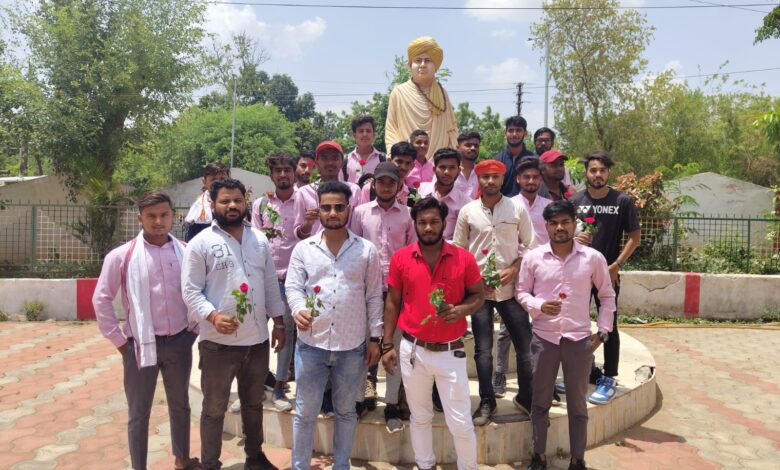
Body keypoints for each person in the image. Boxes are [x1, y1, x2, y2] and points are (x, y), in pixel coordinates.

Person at [181, 178, 286, 470]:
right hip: (218, 344)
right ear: (213, 203)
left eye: (238, 200)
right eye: (225, 201)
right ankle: (210, 463)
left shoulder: (259, 240)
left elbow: (270, 284)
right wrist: (213, 316)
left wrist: (279, 323)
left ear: (245, 202)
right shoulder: (201, 243)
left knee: (253, 404)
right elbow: (190, 290)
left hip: (257, 341)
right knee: (214, 408)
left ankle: (255, 457)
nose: (232, 206)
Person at [93, 191, 199, 470]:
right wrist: (120, 342)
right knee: (139, 412)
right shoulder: (122, 256)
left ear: (173, 216)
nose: (158, 221)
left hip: (179, 341)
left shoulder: (186, 252)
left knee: (181, 404)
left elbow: (199, 291)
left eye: (164, 215)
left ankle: (182, 459)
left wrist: (193, 331)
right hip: (139, 345)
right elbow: (101, 299)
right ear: (140, 218)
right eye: (151, 216)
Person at [285, 181, 384, 470]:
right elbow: (293, 287)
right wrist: (298, 308)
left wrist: (375, 338)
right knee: (305, 413)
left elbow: (374, 295)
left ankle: (341, 465)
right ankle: (299, 466)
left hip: (351, 347)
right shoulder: (304, 249)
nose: (332, 213)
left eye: (339, 207)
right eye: (326, 207)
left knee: (346, 412)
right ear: (318, 210)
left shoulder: (366, 250)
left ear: (348, 209)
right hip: (311, 344)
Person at [382, 196, 484, 470]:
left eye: (434, 222)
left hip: (451, 352)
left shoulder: (463, 258)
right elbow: (392, 302)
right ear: (414, 224)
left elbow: (479, 295)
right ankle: (424, 464)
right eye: (422, 222)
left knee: (460, 421)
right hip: (413, 350)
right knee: (420, 416)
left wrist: (463, 309)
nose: (428, 228)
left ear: (444, 223)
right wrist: (387, 345)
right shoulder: (401, 258)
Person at [516, 199, 616, 470]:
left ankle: (577, 459)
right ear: (546, 226)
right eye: (554, 223)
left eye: (565, 222)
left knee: (577, 405)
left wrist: (603, 332)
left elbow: (607, 296)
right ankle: (538, 456)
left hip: (579, 341)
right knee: (540, 402)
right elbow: (521, 292)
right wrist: (539, 305)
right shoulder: (533, 258)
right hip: (544, 339)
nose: (560, 228)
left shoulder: (592, 258)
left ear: (574, 223)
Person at [452, 160, 537, 426]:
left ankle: (526, 397)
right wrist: (474, 280)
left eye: (495, 177)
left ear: (502, 179)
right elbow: (459, 250)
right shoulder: (468, 211)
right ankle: (487, 400)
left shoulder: (516, 208)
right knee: (483, 351)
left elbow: (531, 245)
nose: (490, 181)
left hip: (510, 290)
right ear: (479, 179)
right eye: (485, 177)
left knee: (525, 347)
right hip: (479, 293)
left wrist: (515, 268)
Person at [569, 151, 641, 405]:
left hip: (608, 274)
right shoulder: (575, 200)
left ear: (608, 173)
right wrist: (573, 238)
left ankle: (609, 377)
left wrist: (616, 266)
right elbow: (562, 232)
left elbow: (635, 238)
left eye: (602, 170)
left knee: (609, 325)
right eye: (593, 170)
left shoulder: (622, 201)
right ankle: (584, 371)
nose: (597, 174)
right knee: (576, 323)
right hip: (579, 273)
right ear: (586, 173)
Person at [350, 162, 416, 432]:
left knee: (393, 347)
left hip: (397, 292)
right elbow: (352, 247)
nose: (386, 187)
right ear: (373, 184)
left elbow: (412, 253)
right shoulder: (360, 212)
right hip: (366, 290)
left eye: (391, 182)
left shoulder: (408, 215)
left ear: (399, 186)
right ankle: (359, 399)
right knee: (363, 346)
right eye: (381, 182)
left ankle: (391, 403)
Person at [251, 152, 300, 412]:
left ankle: (280, 387)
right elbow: (253, 241)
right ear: (271, 175)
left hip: (291, 280)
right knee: (256, 333)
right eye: (278, 170)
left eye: (287, 170)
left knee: (286, 335)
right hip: (263, 280)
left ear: (294, 173)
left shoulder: (304, 202)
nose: (283, 174)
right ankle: (255, 385)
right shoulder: (260, 205)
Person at [385, 36, 458, 159]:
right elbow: (391, 128)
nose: (422, 65)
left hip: (439, 163)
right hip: (406, 162)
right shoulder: (399, 93)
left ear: (436, 66)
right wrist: (394, 155)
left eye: (428, 60)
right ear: (409, 65)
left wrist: (454, 157)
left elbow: (451, 129)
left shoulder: (442, 94)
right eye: (418, 60)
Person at [293, 141, 363, 240]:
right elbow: (298, 234)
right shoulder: (303, 193)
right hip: (314, 248)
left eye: (335, 158)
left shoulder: (354, 190)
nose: (330, 163)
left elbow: (360, 226)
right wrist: (308, 224)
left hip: (348, 247)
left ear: (342, 162)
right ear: (316, 163)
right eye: (324, 158)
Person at [418, 148, 472, 241]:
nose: (447, 172)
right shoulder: (420, 191)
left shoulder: (466, 203)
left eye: (452, 168)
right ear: (434, 169)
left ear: (459, 171)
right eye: (442, 167)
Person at [183, 162, 229, 242]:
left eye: (222, 179)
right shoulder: (198, 211)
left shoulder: (237, 205)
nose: (219, 183)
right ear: (204, 182)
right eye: (213, 179)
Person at [493, 116, 536, 197]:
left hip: (527, 204)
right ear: (505, 133)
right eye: (511, 130)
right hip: (501, 203)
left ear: (525, 133)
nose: (514, 134)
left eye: (518, 130)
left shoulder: (534, 160)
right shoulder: (497, 160)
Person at [343, 115, 385, 183]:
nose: (365, 134)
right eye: (361, 131)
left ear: (374, 135)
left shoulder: (383, 159)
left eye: (368, 131)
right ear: (354, 135)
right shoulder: (345, 161)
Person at [454, 131, 481, 199]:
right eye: (468, 145)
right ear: (458, 148)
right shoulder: (449, 171)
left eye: (476, 146)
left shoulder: (482, 173)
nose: (473, 148)